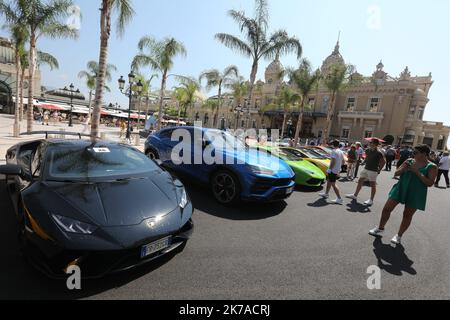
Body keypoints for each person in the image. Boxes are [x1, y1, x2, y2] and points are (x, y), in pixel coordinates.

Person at [369, 145, 438, 245]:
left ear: (424, 154)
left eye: (416, 152)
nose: (413, 154)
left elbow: (430, 183)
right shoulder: (409, 161)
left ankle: (399, 235)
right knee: (386, 209)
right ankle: (380, 228)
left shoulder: (432, 166)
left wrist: (417, 172)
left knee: (407, 215)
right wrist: (404, 169)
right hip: (401, 188)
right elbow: (396, 173)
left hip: (416, 193)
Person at [346, 139, 386, 206]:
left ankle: (371, 200)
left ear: (375, 144)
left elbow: (383, 161)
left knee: (372, 185)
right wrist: (363, 162)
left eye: (371, 142)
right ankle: (355, 195)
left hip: (373, 170)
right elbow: (367, 158)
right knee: (360, 180)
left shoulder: (379, 153)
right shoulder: (368, 150)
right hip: (366, 168)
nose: (369, 143)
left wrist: (379, 170)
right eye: (370, 142)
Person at [319, 140, 345, 204]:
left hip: (333, 170)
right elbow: (343, 161)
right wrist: (339, 167)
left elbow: (333, 161)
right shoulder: (341, 152)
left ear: (333, 144)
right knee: (329, 181)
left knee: (333, 184)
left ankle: (339, 198)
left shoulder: (334, 151)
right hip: (336, 170)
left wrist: (330, 169)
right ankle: (326, 193)